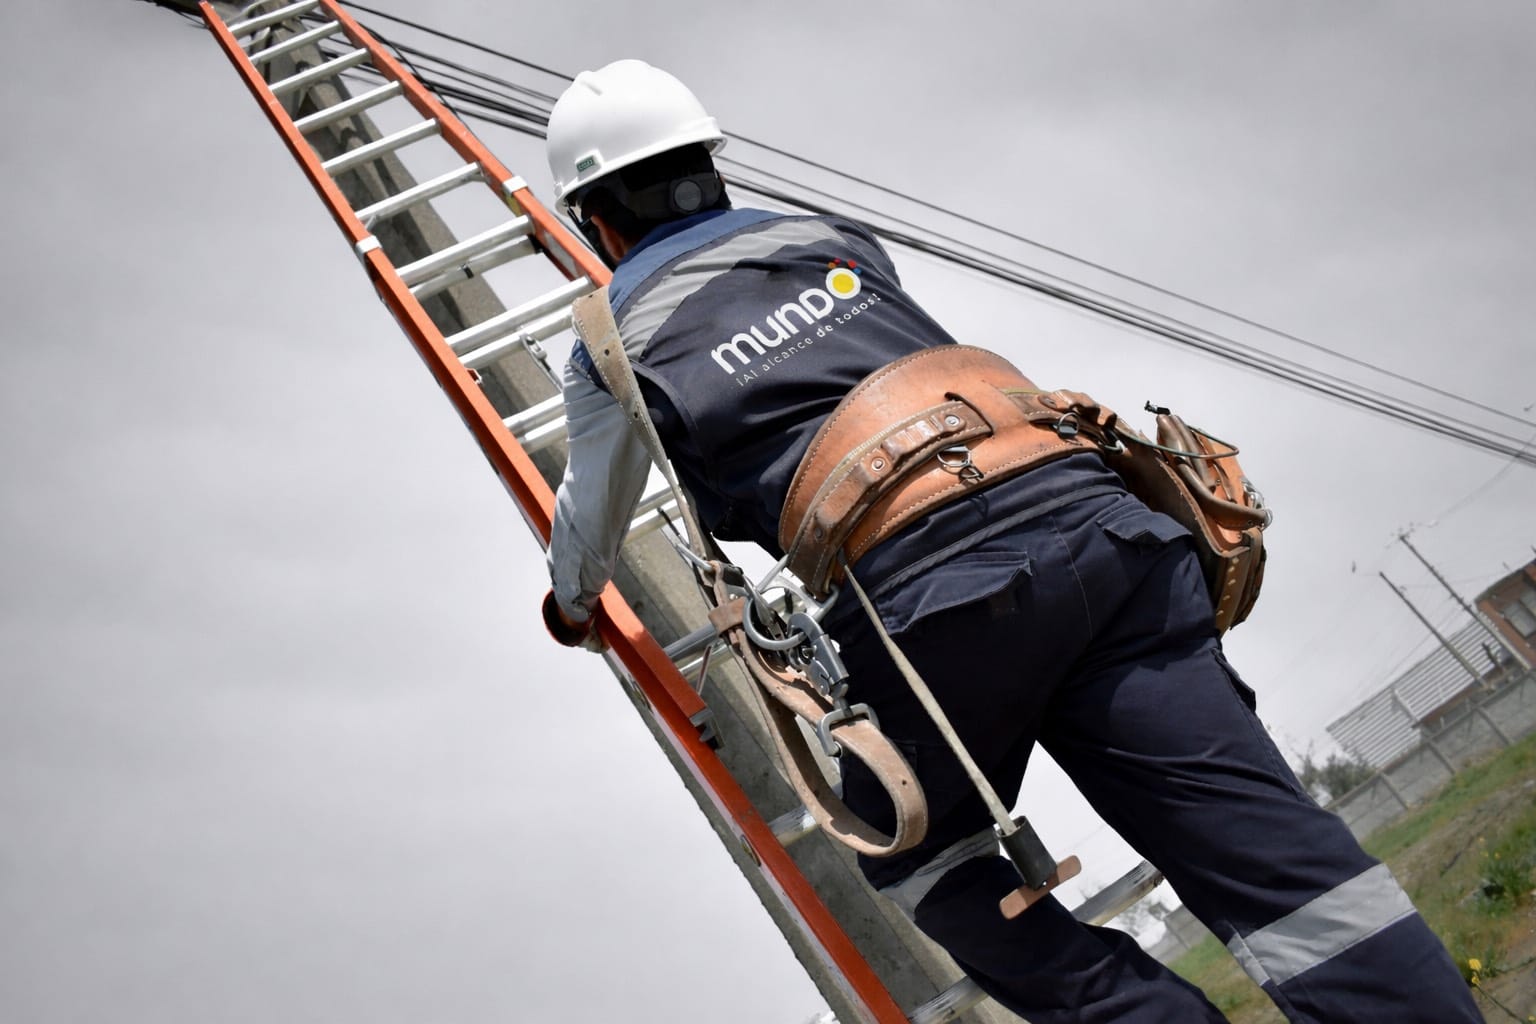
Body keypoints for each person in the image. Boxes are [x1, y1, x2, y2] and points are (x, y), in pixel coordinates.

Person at [540, 59, 1479, 1024]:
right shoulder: (828, 238)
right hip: (1099, 527)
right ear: (710, 166)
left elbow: (589, 522)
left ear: (596, 221)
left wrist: (571, 608)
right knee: (1282, 866)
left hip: (930, 595)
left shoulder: (610, 340)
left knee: (913, 851)